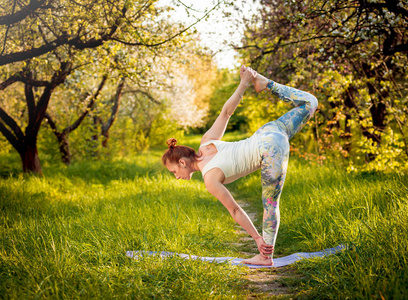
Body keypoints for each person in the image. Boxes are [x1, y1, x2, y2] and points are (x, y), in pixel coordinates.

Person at [162, 65, 318, 266]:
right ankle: (265, 83)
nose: (177, 176)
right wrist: (243, 84)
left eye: (174, 171)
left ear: (182, 162)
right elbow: (226, 113)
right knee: (310, 103)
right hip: (268, 132)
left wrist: (257, 238)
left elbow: (235, 210)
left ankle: (265, 256)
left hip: (269, 148)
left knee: (270, 203)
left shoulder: (210, 178)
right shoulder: (206, 141)